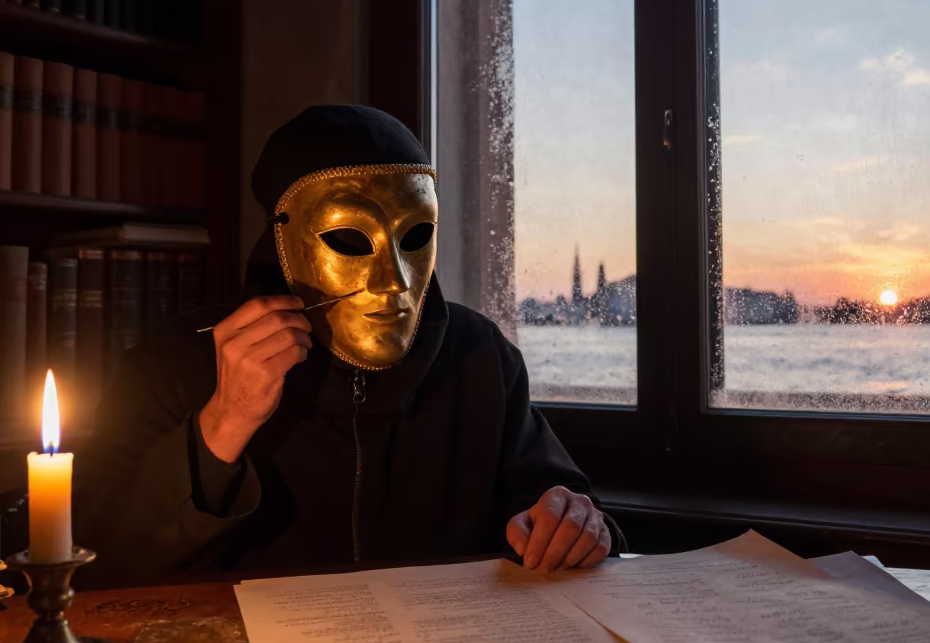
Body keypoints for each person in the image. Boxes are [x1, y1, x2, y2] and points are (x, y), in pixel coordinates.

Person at [73, 105, 621, 586]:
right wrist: (223, 422)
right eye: (350, 240)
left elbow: (559, 504)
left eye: (415, 237)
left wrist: (575, 523)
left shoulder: (480, 358)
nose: (395, 282)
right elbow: (102, 554)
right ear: (283, 245)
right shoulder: (175, 362)